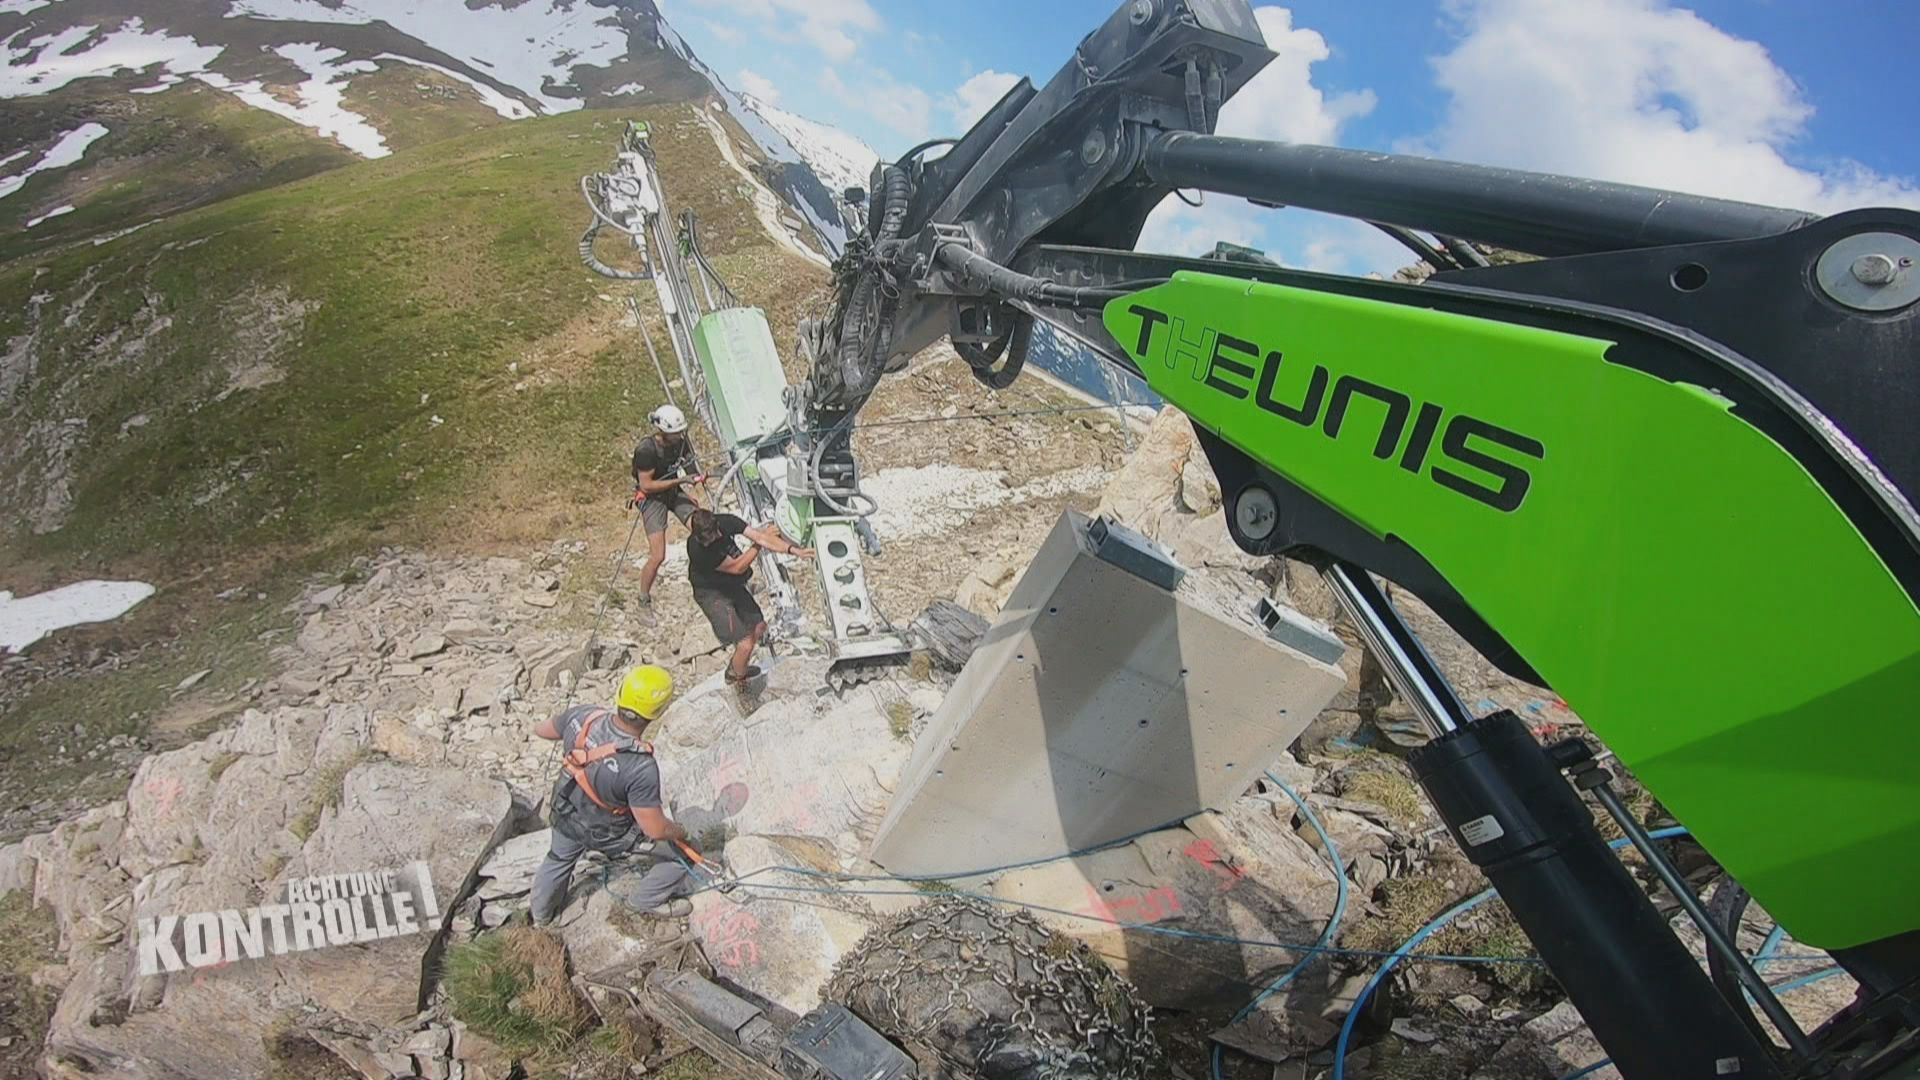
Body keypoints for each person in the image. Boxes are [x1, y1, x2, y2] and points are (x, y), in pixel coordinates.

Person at [529, 665, 695, 925]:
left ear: (620, 693)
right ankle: (643, 902)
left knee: (558, 859)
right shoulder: (640, 766)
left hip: (566, 809)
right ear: (658, 712)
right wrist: (679, 831)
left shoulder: (584, 716)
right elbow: (654, 829)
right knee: (680, 857)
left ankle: (540, 917)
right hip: (609, 832)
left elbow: (543, 730)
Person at [686, 508, 812, 685]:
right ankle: (739, 682)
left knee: (758, 627)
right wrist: (759, 544)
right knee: (744, 642)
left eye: (712, 538)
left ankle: (737, 667)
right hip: (710, 592)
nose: (709, 543)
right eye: (705, 541)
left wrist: (792, 550)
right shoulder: (697, 550)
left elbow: (760, 536)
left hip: (732, 585)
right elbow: (738, 567)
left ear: (717, 528)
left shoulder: (727, 521)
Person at [631, 404, 704, 616]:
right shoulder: (646, 450)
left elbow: (691, 468)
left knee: (704, 528)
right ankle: (643, 599)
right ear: (663, 432)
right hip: (652, 498)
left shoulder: (681, 443)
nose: (680, 436)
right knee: (658, 555)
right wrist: (681, 480)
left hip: (673, 490)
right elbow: (647, 485)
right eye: (675, 433)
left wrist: (697, 476)